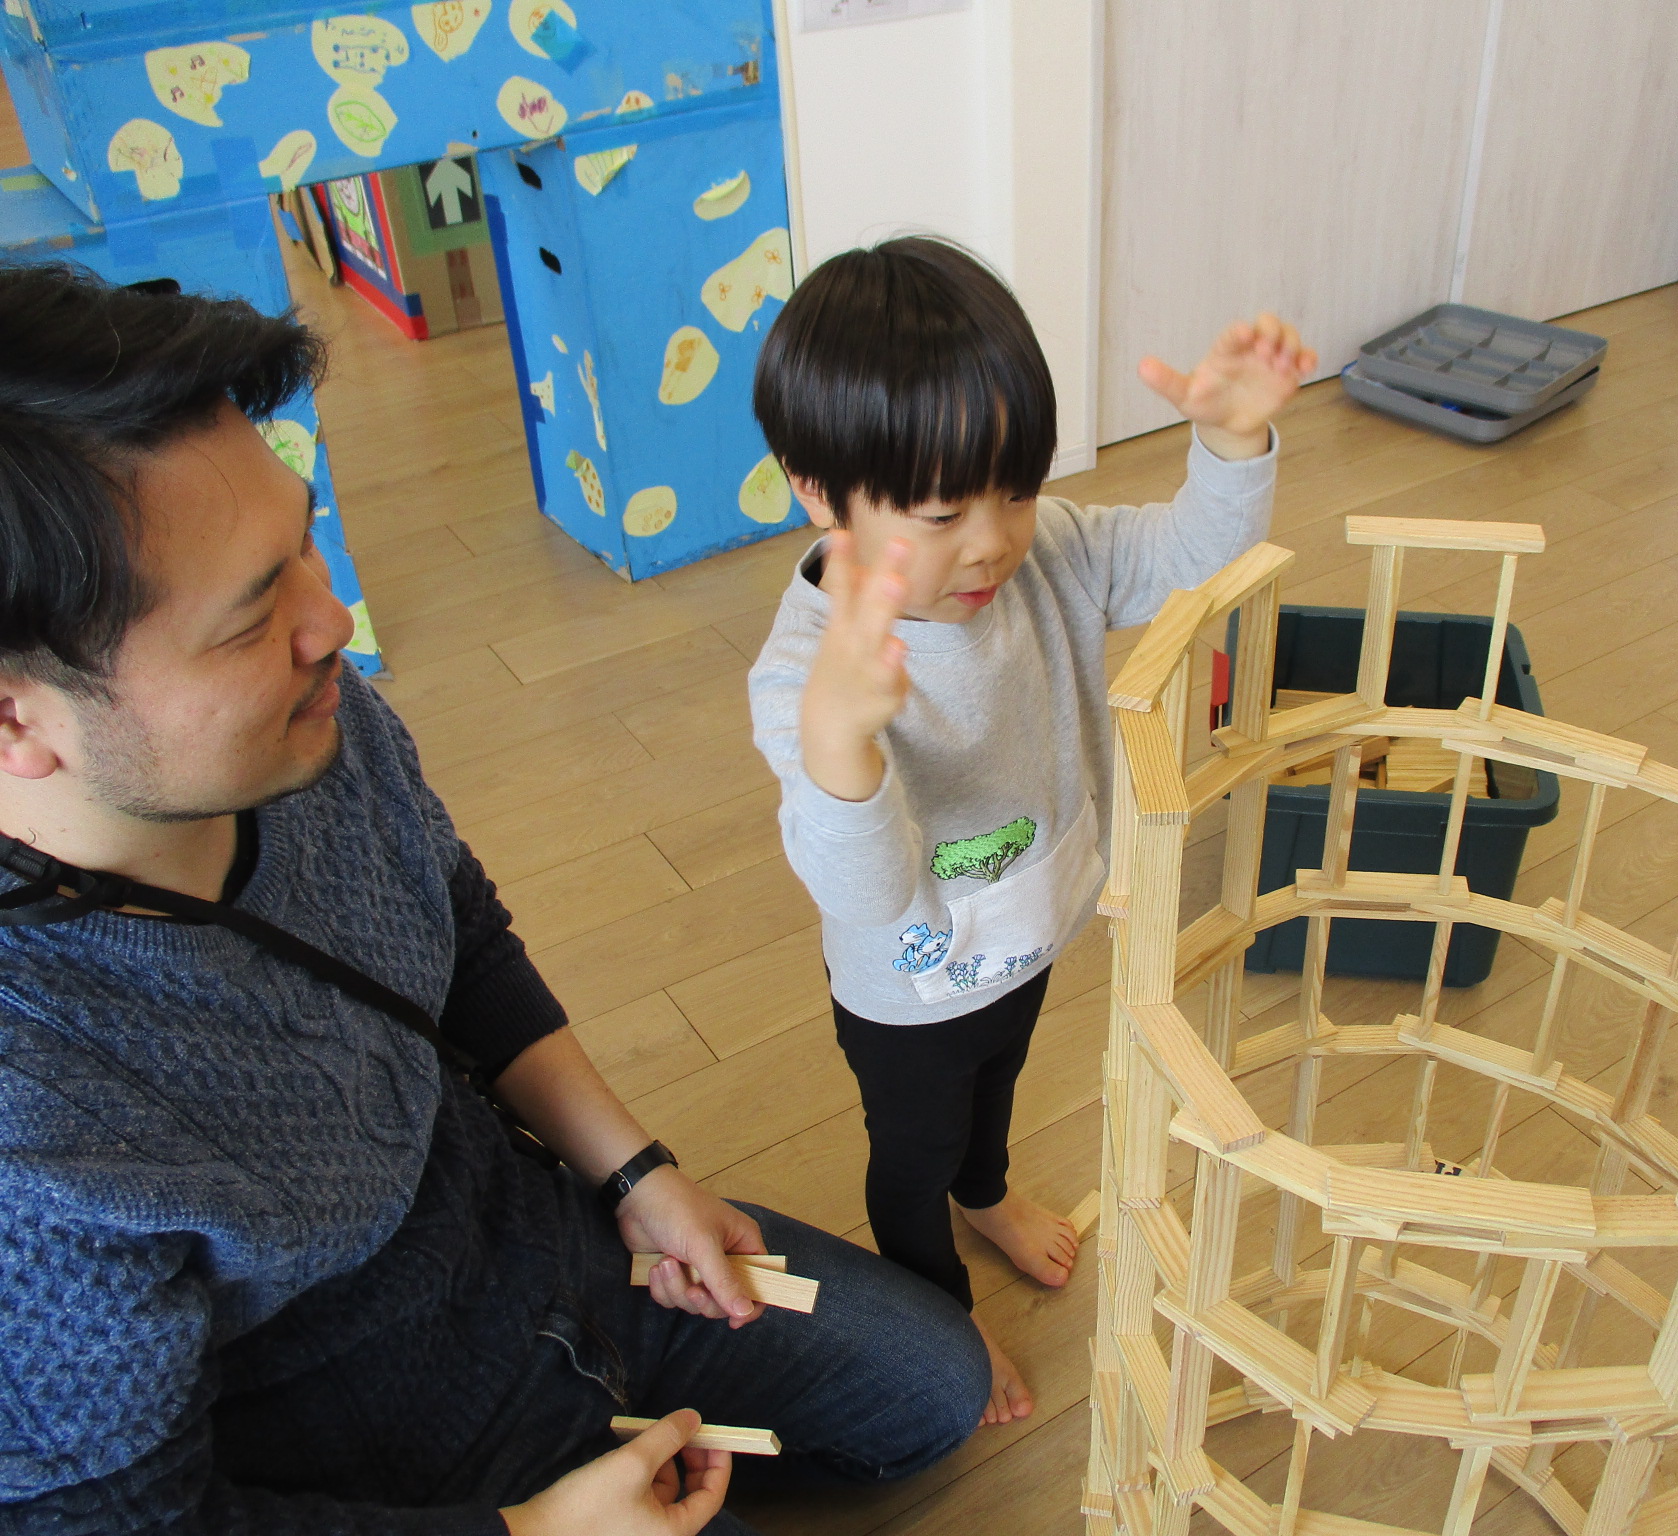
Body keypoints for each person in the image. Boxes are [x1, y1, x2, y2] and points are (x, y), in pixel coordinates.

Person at [0, 261, 986, 1536]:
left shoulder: (317, 722)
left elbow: (455, 929)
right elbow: (118, 1519)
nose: (331, 622)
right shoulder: (33, 1120)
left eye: (304, 543)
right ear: (18, 716)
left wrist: (633, 1174)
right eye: (248, 622)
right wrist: (535, 1533)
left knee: (936, 1391)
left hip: (529, 1230)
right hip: (365, 1435)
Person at [747, 237, 1313, 1423]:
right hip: (909, 990)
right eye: (942, 511)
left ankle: (989, 1193)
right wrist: (841, 748)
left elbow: (1188, 562)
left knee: (998, 1083)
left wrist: (1229, 444)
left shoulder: (1042, 556)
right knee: (913, 1154)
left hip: (1031, 925)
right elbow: (867, 893)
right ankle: (936, 1306)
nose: (992, 540)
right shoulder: (806, 679)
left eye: (1015, 487)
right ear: (820, 493)